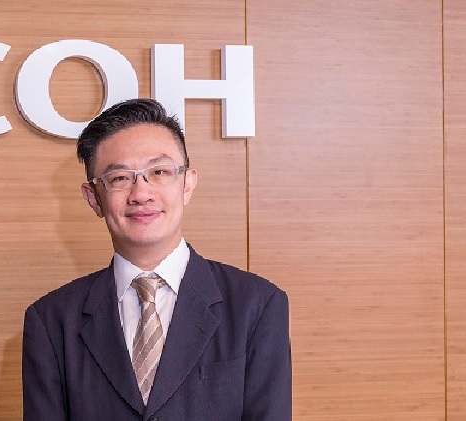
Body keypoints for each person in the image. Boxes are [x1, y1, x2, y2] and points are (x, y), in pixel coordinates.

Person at [22, 98, 291, 420]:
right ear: (94, 198)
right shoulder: (51, 320)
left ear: (187, 184)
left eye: (159, 172)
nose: (141, 194)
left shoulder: (256, 304)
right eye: (120, 178)